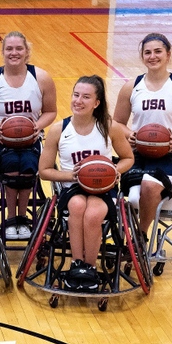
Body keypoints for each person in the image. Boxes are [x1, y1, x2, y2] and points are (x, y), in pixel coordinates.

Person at [39, 75, 134, 291]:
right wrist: (73, 175)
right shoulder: (58, 129)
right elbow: (44, 171)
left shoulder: (109, 127)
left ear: (96, 103)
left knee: (93, 214)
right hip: (72, 187)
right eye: (76, 95)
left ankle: (90, 267)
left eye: (86, 97)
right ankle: (76, 264)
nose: (78, 101)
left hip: (104, 188)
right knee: (77, 206)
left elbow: (128, 158)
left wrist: (113, 171)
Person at [113, 32, 172, 237]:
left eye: (158, 51)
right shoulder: (131, 87)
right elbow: (116, 122)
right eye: (147, 52)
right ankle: (121, 234)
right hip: (138, 153)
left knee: (148, 187)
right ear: (142, 57)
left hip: (169, 155)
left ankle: (141, 236)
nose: (152, 56)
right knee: (127, 194)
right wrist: (129, 133)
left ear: (168, 54)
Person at [0, 31, 57, 240]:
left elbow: (51, 111)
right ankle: (11, 218)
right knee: (11, 162)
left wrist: (38, 126)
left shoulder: (41, 78)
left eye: (19, 48)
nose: (14, 52)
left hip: (31, 138)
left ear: (27, 51)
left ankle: (22, 218)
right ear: (2, 51)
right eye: (9, 48)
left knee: (28, 163)